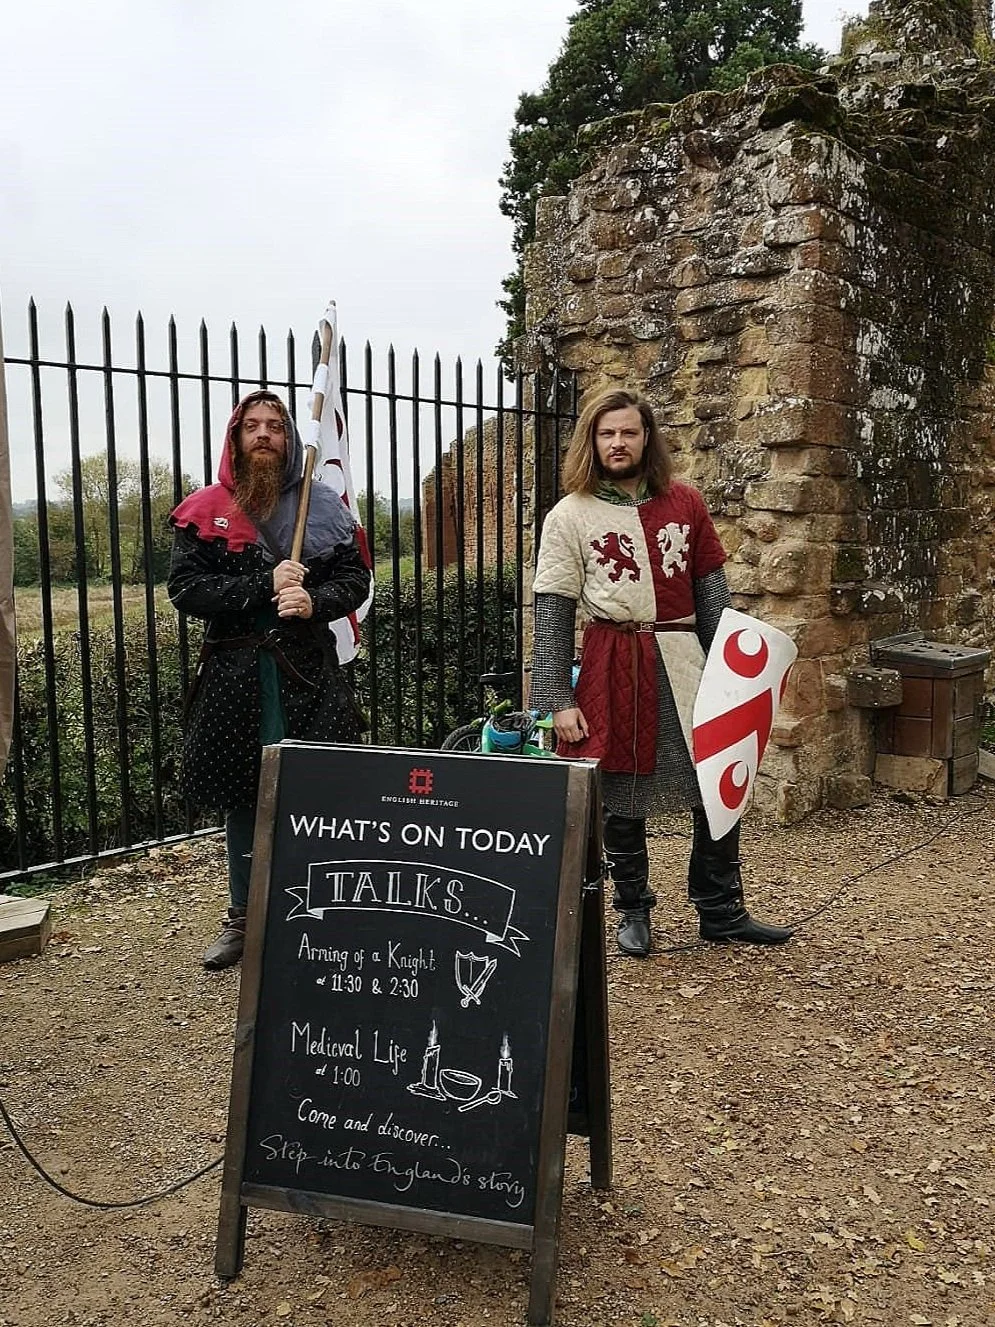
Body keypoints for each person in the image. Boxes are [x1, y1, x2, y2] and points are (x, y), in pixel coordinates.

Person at [530, 386, 791, 958]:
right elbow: (552, 609)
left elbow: (713, 598)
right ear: (591, 441)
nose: (617, 442)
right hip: (612, 661)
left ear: (647, 437)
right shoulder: (570, 514)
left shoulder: (685, 503)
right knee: (620, 790)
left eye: (628, 431)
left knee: (717, 782)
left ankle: (720, 910)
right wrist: (554, 697)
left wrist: (738, 677)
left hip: (685, 661)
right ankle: (632, 910)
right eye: (606, 433)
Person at [168, 389, 371, 970]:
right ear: (236, 439)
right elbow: (186, 590)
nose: (264, 435)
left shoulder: (323, 506)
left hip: (305, 674)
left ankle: (325, 912)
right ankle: (243, 916)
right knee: (241, 800)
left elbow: (355, 581)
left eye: (275, 427)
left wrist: (314, 599)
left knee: (320, 793)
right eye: (252, 426)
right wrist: (263, 584)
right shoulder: (206, 509)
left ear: (288, 441)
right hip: (235, 678)